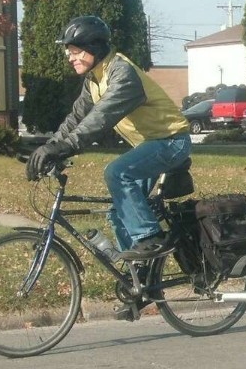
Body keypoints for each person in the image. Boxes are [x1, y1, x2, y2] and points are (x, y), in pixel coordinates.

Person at [25, 15, 191, 260]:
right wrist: (49, 148)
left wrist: (65, 148)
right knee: (117, 212)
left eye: (74, 51)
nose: (70, 57)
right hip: (150, 145)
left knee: (116, 172)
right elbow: (76, 118)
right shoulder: (94, 78)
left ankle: (150, 238)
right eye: (68, 52)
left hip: (171, 141)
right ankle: (139, 279)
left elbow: (101, 117)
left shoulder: (122, 74)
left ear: (93, 47)